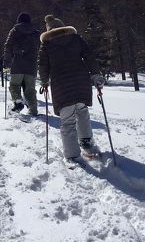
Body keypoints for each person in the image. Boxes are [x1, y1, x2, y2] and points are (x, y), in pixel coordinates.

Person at [38, 14, 104, 161]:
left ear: (49, 30)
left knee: (67, 120)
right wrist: (95, 75)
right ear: (62, 26)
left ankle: (73, 155)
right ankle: (86, 141)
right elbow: (89, 56)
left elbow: (43, 66)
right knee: (82, 111)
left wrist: (44, 81)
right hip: (81, 81)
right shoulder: (75, 38)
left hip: (61, 84)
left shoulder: (46, 45)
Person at [2, 12, 40, 116]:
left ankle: (18, 102)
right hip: (31, 65)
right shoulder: (36, 33)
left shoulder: (15, 31)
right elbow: (41, 48)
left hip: (17, 64)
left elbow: (8, 46)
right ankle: (33, 110)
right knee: (30, 89)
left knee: (14, 85)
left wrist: (6, 62)